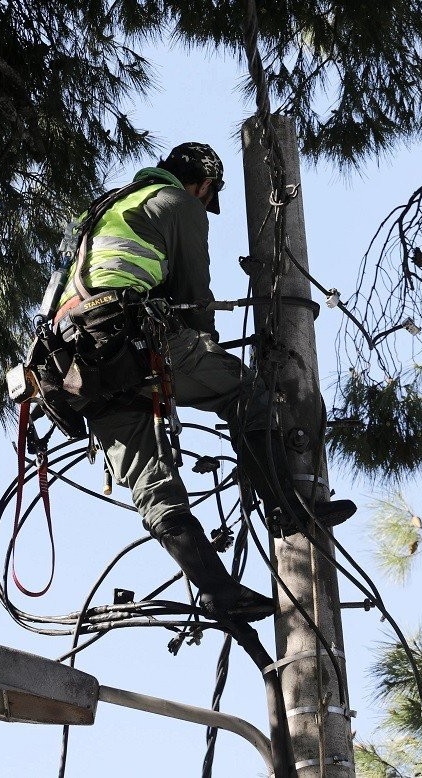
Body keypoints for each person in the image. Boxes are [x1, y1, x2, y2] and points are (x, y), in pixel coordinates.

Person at [52, 142, 355, 622]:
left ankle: (217, 592)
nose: (204, 200)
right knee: (247, 393)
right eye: (206, 193)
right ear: (202, 183)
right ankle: (286, 510)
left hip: (78, 367)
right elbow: (194, 296)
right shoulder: (176, 204)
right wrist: (207, 349)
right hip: (133, 339)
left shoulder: (109, 206)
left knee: (154, 488)